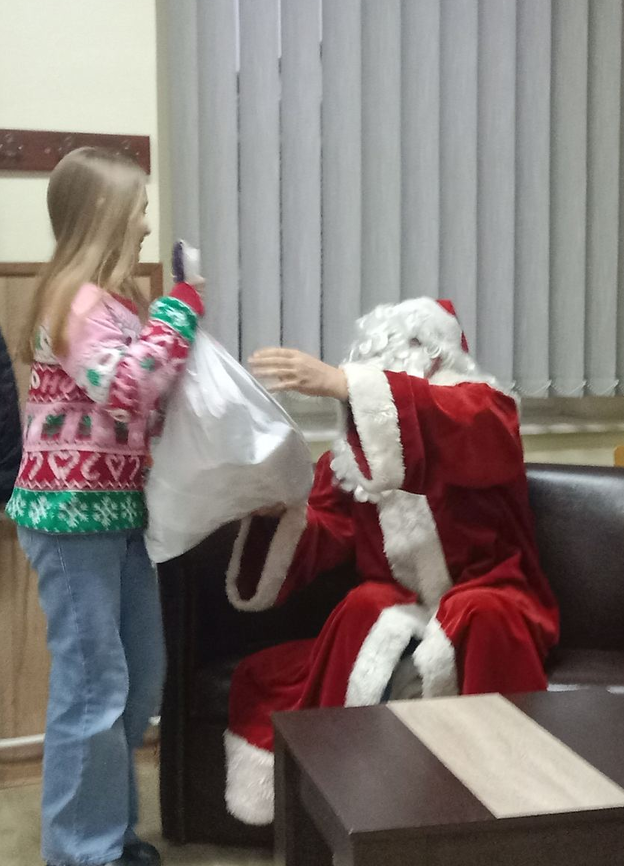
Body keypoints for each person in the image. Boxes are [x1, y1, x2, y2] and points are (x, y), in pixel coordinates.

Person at [222, 297, 559, 825]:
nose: (384, 364)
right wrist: (278, 513)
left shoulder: (487, 412)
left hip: (493, 593)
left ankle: (504, 808)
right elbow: (325, 532)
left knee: (482, 614)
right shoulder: (353, 456)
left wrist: (343, 384)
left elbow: (455, 422)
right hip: (402, 602)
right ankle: (342, 805)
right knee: (364, 603)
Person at [5, 148, 204, 866]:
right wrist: (181, 309)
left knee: (138, 676)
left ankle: (108, 833)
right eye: (140, 208)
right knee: (93, 688)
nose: (147, 223)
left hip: (117, 516)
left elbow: (140, 406)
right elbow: (126, 390)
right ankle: (83, 852)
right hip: (68, 516)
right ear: (105, 213)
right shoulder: (77, 300)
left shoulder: (115, 305)